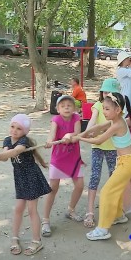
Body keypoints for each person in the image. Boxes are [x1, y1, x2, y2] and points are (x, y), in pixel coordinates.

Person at [74, 92, 131, 241]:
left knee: (106, 192)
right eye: (103, 108)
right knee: (115, 190)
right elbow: (96, 128)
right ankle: (118, 216)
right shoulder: (114, 121)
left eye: (107, 109)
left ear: (118, 110)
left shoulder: (117, 124)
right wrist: (81, 134)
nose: (104, 112)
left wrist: (78, 138)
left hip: (127, 163)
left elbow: (99, 140)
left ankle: (103, 229)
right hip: (125, 161)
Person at [0, 114, 51, 256]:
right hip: (20, 178)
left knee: (31, 209)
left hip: (31, 176)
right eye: (12, 126)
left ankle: (36, 241)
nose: (14, 130)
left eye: (19, 128)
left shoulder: (24, 141)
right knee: (18, 209)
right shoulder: (7, 140)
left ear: (25, 131)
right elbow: (6, 155)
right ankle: (15, 238)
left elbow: (15, 152)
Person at [42, 95, 84, 237]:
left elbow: (77, 133)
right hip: (58, 159)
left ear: (74, 108)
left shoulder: (76, 117)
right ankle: (45, 220)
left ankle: (70, 210)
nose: (66, 107)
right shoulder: (56, 120)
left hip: (74, 158)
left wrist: (68, 134)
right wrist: (49, 141)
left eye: (69, 105)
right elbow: (52, 135)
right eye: (63, 105)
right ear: (57, 109)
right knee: (53, 189)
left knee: (79, 186)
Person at [83, 78, 119, 228]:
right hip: (97, 146)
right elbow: (92, 120)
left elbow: (115, 126)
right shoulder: (98, 105)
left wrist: (97, 130)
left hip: (112, 147)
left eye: (110, 92)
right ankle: (90, 212)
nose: (106, 94)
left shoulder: (119, 109)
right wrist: (87, 132)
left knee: (113, 178)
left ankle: (113, 210)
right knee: (95, 177)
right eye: (104, 91)